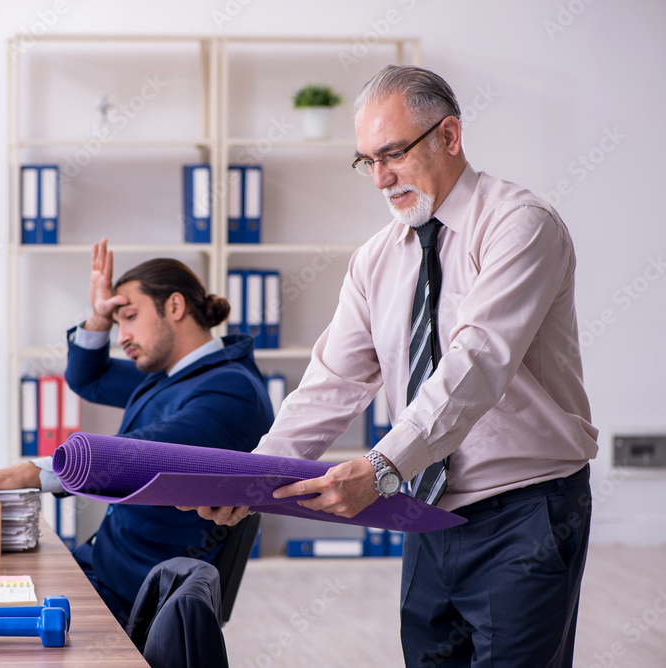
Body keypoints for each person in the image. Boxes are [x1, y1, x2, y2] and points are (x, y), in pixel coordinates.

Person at [185, 65, 598, 667]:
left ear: (449, 136)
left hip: (525, 514)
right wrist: (254, 479)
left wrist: (380, 467)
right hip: (426, 514)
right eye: (366, 162)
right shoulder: (377, 259)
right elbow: (331, 384)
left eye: (394, 153)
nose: (381, 178)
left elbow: (475, 364)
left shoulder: (519, 224)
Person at [0, 238, 274, 625]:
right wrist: (98, 316)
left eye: (129, 317)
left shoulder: (231, 389)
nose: (122, 336)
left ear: (175, 306)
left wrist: (31, 472)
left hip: (140, 593)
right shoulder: (174, 375)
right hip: (106, 564)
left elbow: (144, 453)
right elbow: (88, 378)